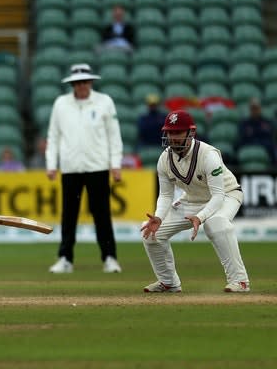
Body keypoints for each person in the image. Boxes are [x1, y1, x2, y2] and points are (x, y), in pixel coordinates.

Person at [140, 110, 250, 293]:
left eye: (177, 132)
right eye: (169, 132)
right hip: (192, 200)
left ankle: (240, 281)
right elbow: (166, 195)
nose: (172, 137)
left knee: (216, 224)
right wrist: (158, 217)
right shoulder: (164, 159)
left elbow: (217, 196)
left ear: (190, 133)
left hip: (227, 195)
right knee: (152, 233)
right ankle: (169, 282)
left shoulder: (208, 156)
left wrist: (201, 217)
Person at [46, 63, 123, 274]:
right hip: (70, 168)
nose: (81, 86)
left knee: (102, 214)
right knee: (68, 215)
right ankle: (65, 258)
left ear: (91, 82)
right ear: (72, 84)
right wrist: (52, 164)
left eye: (84, 82)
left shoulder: (104, 102)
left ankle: (109, 257)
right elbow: (53, 136)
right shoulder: (61, 103)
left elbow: (114, 135)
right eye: (77, 82)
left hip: (97, 166)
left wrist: (115, 164)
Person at [237, 98, 276, 164]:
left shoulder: (266, 122)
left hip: (264, 143)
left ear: (260, 109)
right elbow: (243, 135)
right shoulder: (245, 123)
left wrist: (254, 133)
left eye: (256, 108)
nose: (255, 111)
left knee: (271, 146)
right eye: (253, 108)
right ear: (250, 109)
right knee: (238, 146)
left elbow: (268, 135)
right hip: (249, 143)